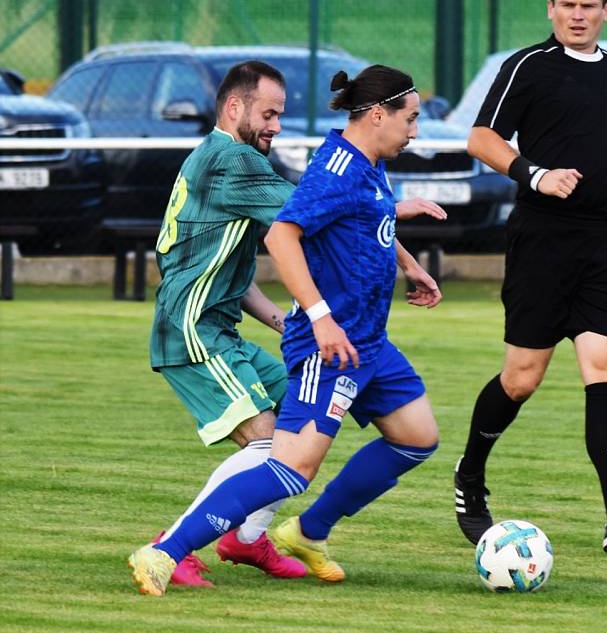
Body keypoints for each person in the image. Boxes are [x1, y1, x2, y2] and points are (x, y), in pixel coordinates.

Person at [129, 63, 443, 596]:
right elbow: (288, 233)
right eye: (411, 118)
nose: (416, 130)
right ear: (376, 115)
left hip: (363, 339)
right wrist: (317, 319)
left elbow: (358, 224)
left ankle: (304, 532)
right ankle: (169, 549)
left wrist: (406, 263)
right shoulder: (253, 163)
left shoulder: (366, 164)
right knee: (284, 460)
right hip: (231, 331)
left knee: (417, 439)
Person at [453, 0, 607, 556]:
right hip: (543, 238)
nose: (577, 15)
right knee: (523, 378)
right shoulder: (527, 66)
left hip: (605, 240)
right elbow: (482, 140)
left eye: (588, 6)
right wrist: (536, 173)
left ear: (605, 12)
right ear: (551, 9)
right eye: (567, 5)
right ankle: (470, 476)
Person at [144, 59, 307, 586]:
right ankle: (172, 547)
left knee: (303, 422)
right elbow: (308, 211)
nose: (276, 126)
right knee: (266, 446)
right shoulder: (231, 161)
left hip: (216, 328)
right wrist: (388, 207)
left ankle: (248, 538)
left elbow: (217, 273)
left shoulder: (215, 160)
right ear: (234, 107)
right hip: (193, 332)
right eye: (269, 113)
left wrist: (279, 319)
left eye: (280, 116)